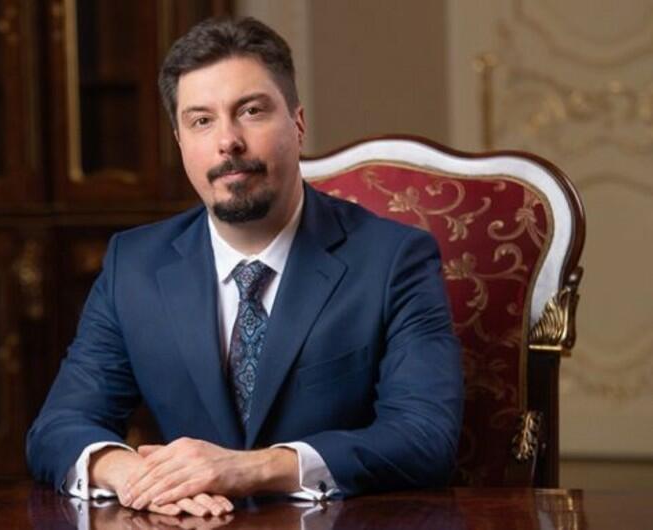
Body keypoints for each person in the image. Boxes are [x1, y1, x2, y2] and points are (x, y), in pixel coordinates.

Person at [27, 16, 463, 517]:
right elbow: (57, 427)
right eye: (201, 121)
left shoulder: (393, 259)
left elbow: (425, 437)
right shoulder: (135, 265)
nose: (228, 141)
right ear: (180, 141)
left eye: (251, 111)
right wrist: (132, 474)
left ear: (298, 124)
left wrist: (250, 468)